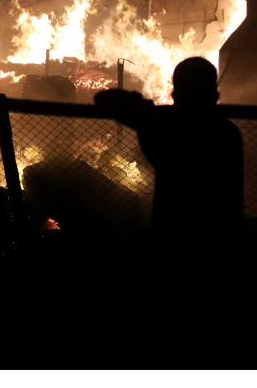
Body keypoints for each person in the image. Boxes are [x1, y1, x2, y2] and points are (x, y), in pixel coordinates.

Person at [94, 57, 244, 285]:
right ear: (213, 91)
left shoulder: (164, 124)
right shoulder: (228, 132)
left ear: (177, 90)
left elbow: (104, 98)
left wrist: (142, 105)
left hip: (171, 238)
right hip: (222, 245)